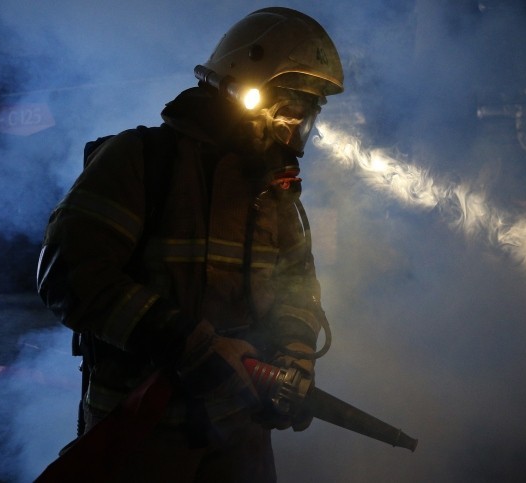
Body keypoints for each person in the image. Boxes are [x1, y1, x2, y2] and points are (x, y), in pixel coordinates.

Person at [36, 7, 343, 481]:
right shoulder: (140, 160)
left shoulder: (275, 190)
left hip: (240, 434)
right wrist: (186, 342)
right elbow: (70, 274)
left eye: (306, 116)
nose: (295, 134)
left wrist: (296, 354)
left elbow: (298, 284)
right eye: (288, 111)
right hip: (143, 430)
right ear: (242, 89)